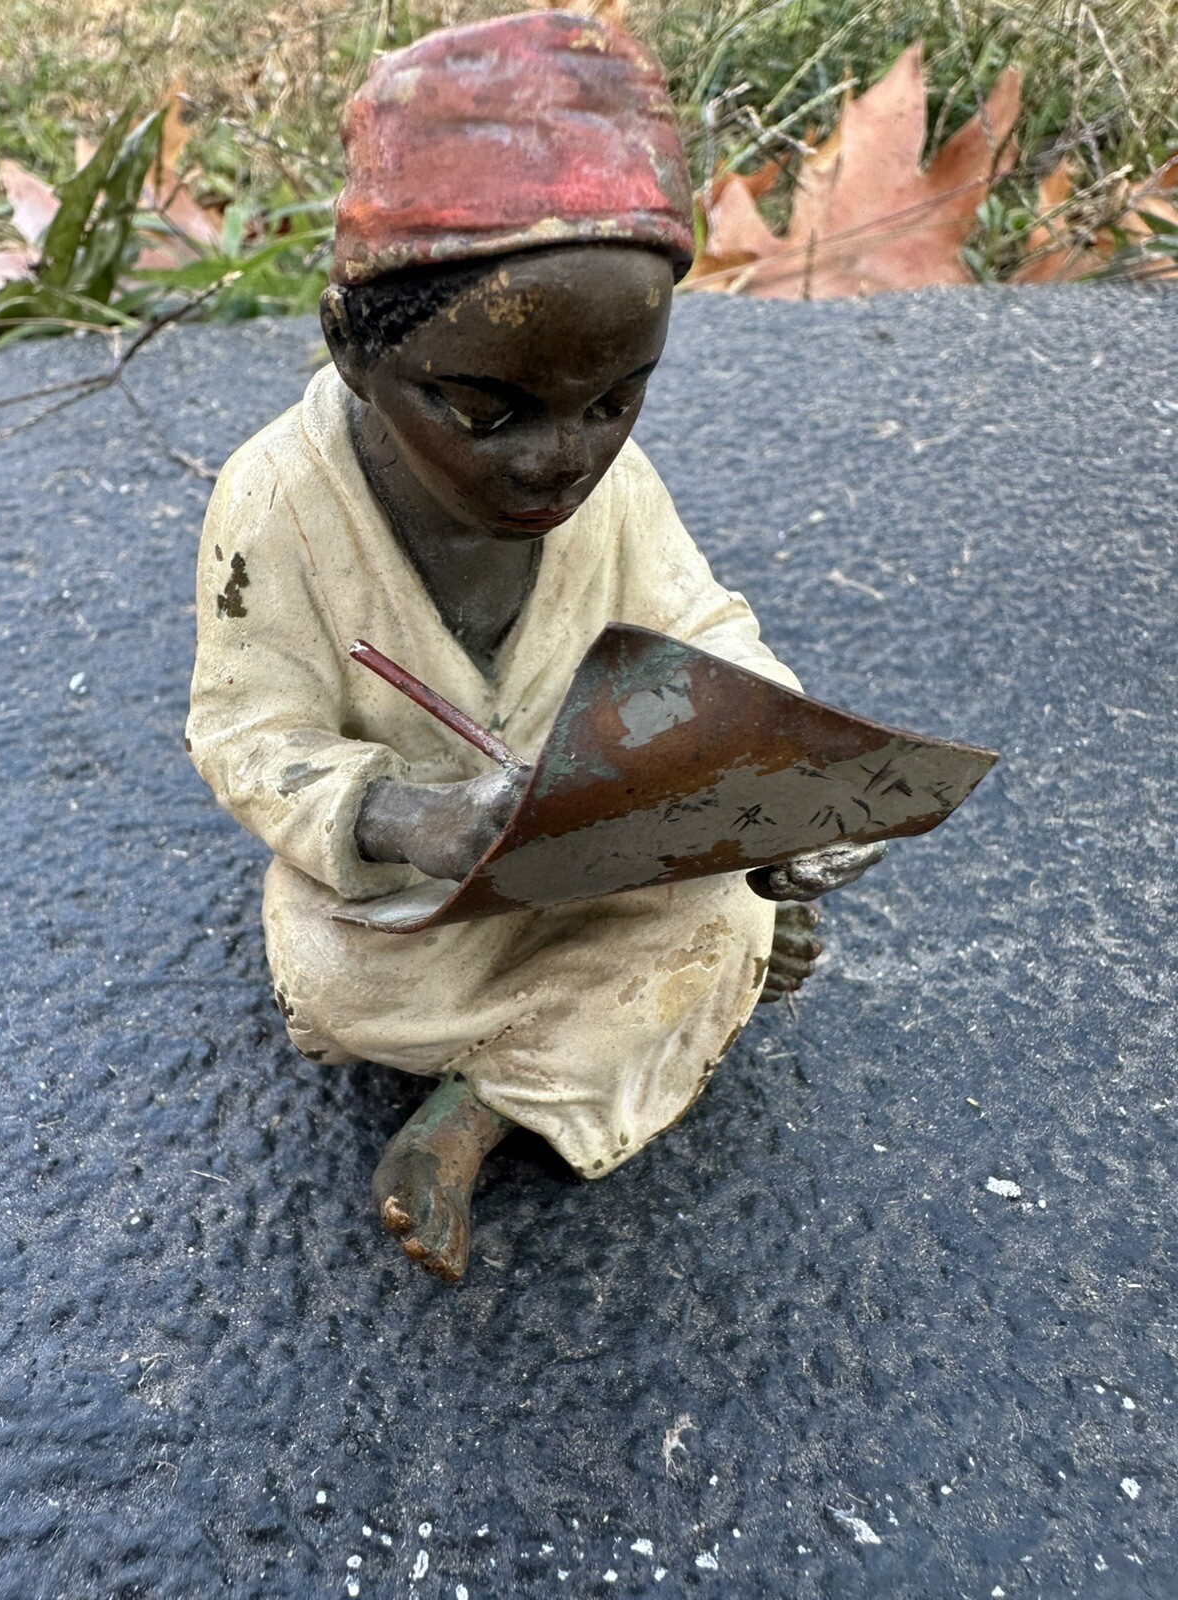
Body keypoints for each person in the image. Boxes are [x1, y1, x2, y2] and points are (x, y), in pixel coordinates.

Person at [186, 10, 883, 1283]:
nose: (561, 457)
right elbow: (245, 729)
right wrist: (407, 816)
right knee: (332, 974)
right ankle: (578, 1050)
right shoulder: (275, 503)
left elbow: (705, 634)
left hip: (595, 853)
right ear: (352, 346)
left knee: (715, 926)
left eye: (617, 399)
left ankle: (478, 1114)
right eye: (486, 408)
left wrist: (787, 785)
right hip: (415, 898)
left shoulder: (612, 493)